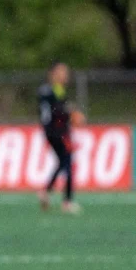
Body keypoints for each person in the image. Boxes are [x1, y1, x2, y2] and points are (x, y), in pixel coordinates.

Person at [37, 62, 82, 214]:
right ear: (54, 74)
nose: (65, 76)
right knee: (68, 162)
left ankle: (46, 191)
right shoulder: (52, 90)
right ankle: (67, 201)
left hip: (50, 131)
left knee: (63, 161)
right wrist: (71, 113)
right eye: (62, 72)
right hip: (59, 132)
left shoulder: (52, 90)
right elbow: (57, 110)